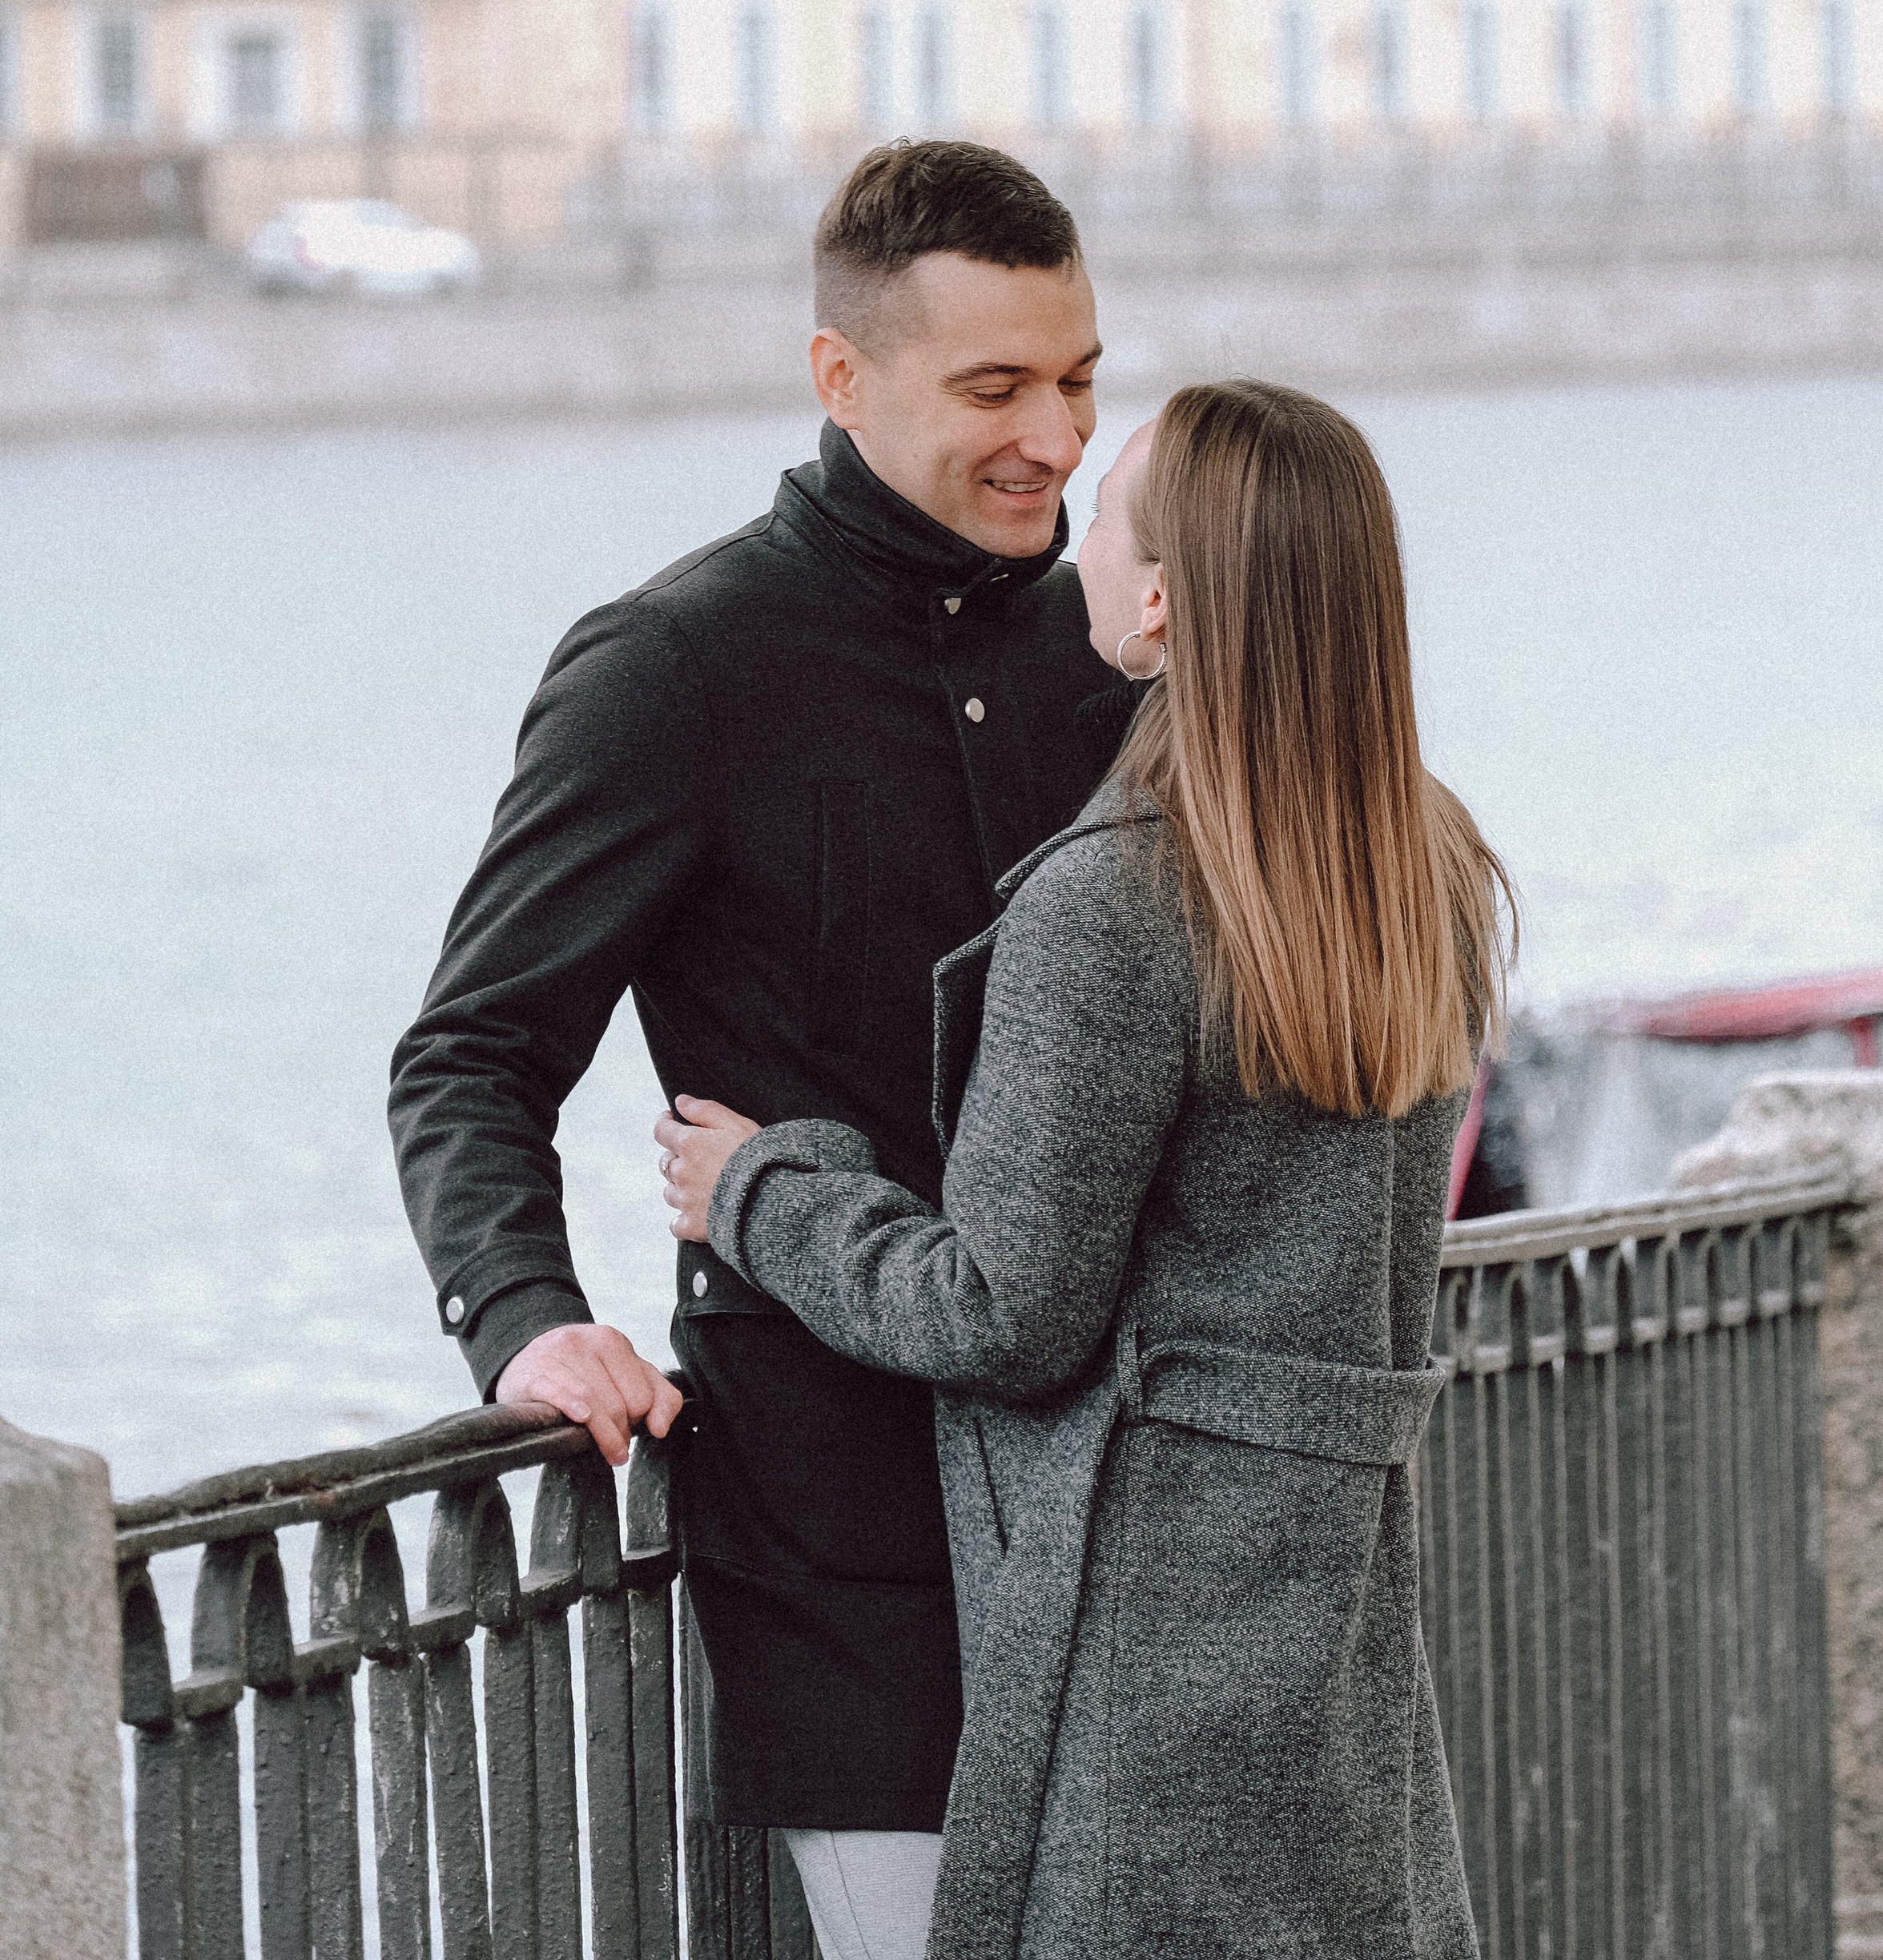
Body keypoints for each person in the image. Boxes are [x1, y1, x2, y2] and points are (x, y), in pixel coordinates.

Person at [388, 142, 1137, 1960]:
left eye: (1077, 382)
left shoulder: (1122, 650)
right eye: (995, 389)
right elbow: (475, 1054)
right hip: (841, 1537)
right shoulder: (671, 665)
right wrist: (522, 1312)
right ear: (839, 379)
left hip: (1132, 1514)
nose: (1053, 435)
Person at [658, 380, 1514, 1960]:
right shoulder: (1426, 870)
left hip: (1141, 1659)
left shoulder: (1115, 903)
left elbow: (1002, 1309)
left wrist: (766, 1193)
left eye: (1108, 517)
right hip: (1330, 1631)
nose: (1079, 544)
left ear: (1165, 597)